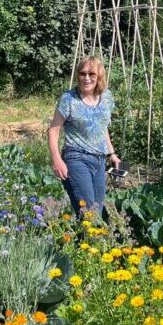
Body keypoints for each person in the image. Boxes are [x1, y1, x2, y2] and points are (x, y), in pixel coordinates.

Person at [48, 55, 121, 216]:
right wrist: (56, 159)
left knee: (98, 210)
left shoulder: (106, 97)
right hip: (76, 157)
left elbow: (102, 128)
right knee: (88, 212)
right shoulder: (68, 99)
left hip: (99, 160)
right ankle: (88, 240)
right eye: (82, 74)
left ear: (99, 76)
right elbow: (53, 130)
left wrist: (112, 154)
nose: (86, 78)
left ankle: (85, 241)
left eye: (91, 74)